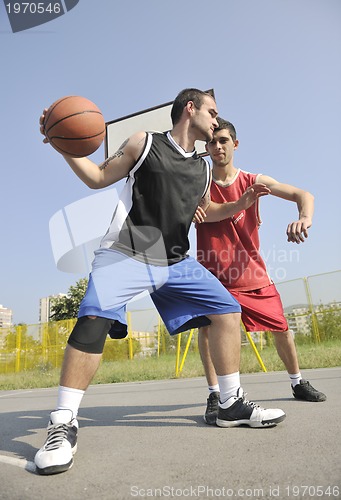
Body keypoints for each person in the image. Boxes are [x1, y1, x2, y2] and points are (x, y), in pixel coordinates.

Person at [35, 90, 285, 476]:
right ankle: (63, 421)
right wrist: (62, 145)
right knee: (93, 319)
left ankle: (230, 404)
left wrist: (243, 201)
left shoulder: (203, 170)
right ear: (190, 109)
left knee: (226, 309)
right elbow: (98, 177)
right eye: (212, 112)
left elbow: (205, 211)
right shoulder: (145, 142)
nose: (217, 120)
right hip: (127, 251)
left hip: (174, 260)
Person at [195, 117, 326, 426]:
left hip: (251, 273)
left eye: (223, 141)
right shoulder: (199, 183)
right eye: (212, 142)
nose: (217, 147)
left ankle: (297, 382)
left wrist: (304, 218)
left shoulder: (254, 180)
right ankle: (215, 394)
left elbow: (304, 195)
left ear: (235, 144)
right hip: (213, 274)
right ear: (206, 148)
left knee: (281, 327)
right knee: (207, 330)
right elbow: (193, 214)